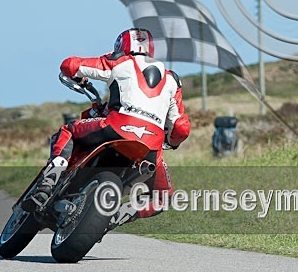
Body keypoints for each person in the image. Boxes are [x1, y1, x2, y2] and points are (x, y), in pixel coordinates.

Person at [25, 28, 190, 229]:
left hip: (115, 127)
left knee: (67, 130)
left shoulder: (119, 61)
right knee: (163, 199)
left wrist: (79, 77)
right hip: (150, 148)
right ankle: (117, 216)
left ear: (122, 46)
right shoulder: (172, 79)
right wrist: (169, 142)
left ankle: (50, 180)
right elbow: (181, 128)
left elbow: (70, 65)